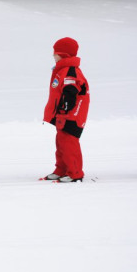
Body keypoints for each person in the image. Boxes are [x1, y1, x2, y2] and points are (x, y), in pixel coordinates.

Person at [41, 37, 90, 183]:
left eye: (55, 53)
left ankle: (75, 173)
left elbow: (71, 89)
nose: (53, 56)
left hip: (72, 114)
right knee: (61, 141)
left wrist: (67, 105)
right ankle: (62, 169)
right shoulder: (63, 70)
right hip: (63, 113)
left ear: (63, 54)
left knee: (69, 142)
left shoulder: (70, 71)